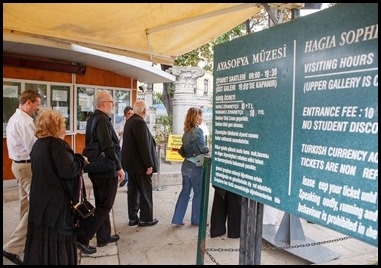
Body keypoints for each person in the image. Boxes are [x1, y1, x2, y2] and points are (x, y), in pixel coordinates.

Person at [23, 109, 86, 265]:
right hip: (56, 204)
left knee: (43, 239)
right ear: (56, 127)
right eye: (63, 124)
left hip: (40, 200)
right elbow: (69, 170)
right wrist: (81, 160)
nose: (64, 127)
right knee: (58, 240)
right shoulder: (57, 144)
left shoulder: (37, 145)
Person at [76, 90, 125, 254]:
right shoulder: (102, 120)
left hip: (97, 170)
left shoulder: (93, 118)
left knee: (102, 204)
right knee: (105, 206)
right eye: (111, 102)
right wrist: (119, 168)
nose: (113, 105)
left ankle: (104, 236)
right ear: (103, 103)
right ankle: (83, 238)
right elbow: (108, 147)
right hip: (105, 170)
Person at [3, 89, 41, 265]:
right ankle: (11, 247)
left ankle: (26, 240)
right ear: (28, 102)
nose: (37, 108)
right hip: (26, 166)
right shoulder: (25, 122)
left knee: (25, 205)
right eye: (36, 104)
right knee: (36, 204)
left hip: (18, 165)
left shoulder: (14, 118)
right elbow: (34, 148)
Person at [121, 100, 158, 227]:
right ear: (144, 110)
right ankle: (146, 219)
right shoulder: (139, 122)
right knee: (145, 192)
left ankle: (133, 218)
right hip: (140, 166)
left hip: (131, 165)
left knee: (133, 191)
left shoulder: (130, 121)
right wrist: (149, 165)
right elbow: (144, 146)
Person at [171, 107, 209, 227]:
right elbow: (203, 149)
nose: (201, 118)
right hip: (195, 166)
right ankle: (196, 220)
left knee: (185, 192)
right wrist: (209, 149)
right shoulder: (198, 131)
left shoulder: (186, 131)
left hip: (186, 165)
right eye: (199, 116)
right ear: (194, 117)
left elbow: (183, 150)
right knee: (198, 193)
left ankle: (177, 219)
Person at [118, 106, 134, 187]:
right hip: (123, 146)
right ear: (125, 115)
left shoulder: (135, 123)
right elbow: (120, 133)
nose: (130, 115)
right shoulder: (122, 123)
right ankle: (125, 177)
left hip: (132, 148)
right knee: (123, 164)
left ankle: (128, 184)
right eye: (129, 114)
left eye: (132, 113)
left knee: (130, 166)